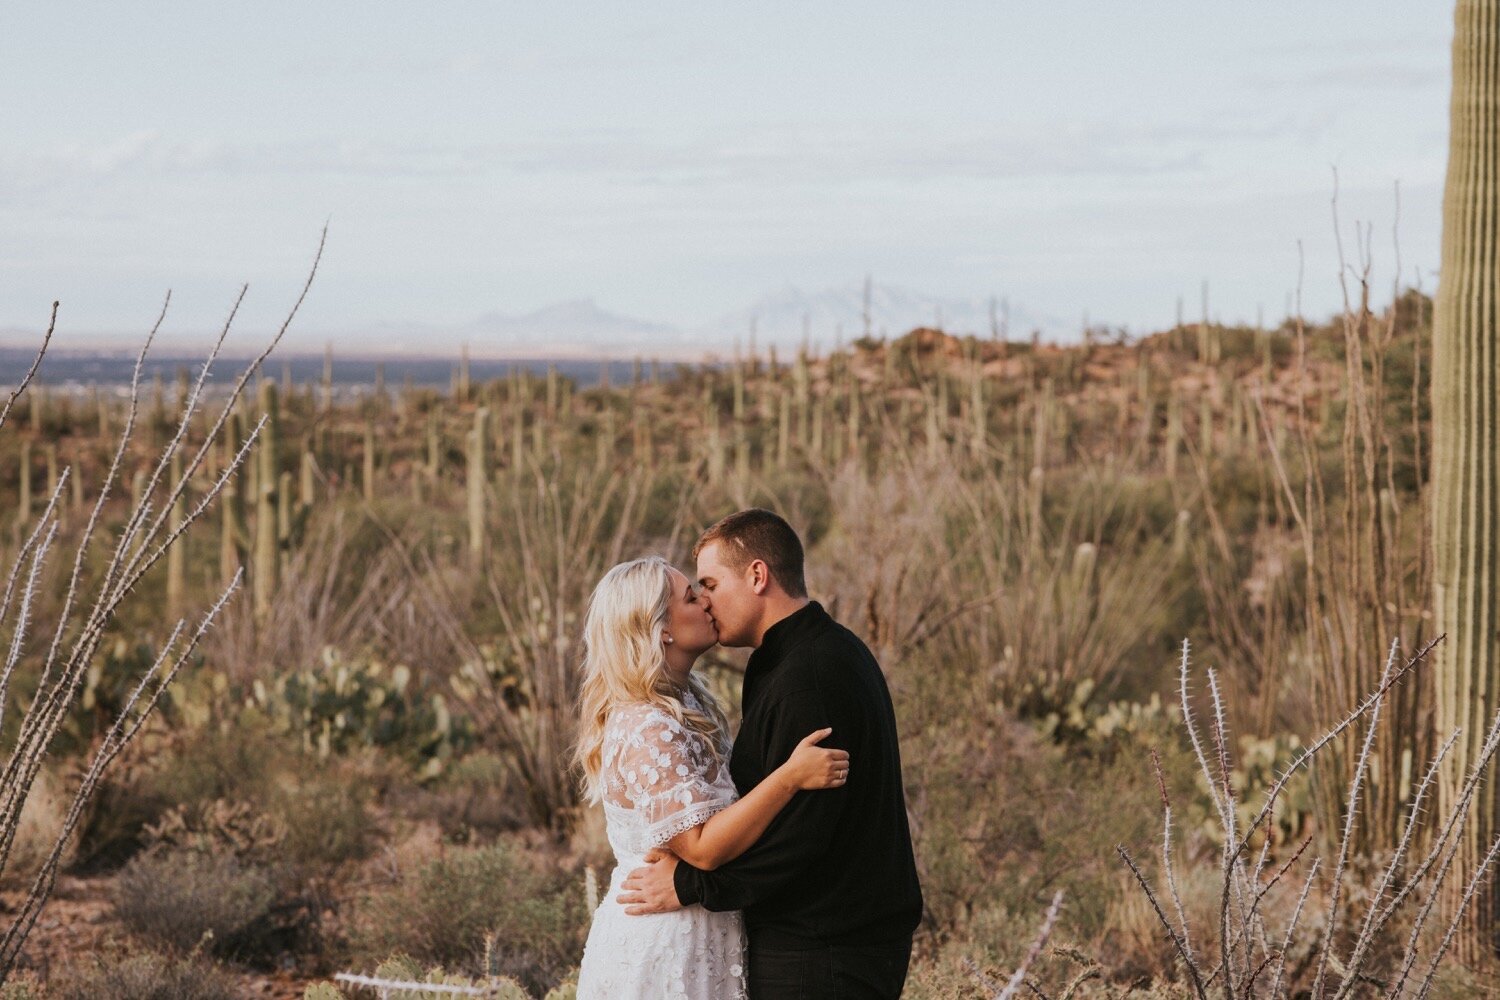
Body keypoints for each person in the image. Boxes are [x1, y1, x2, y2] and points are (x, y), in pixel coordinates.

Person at [618, 509, 923, 999]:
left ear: (757, 576)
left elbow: (802, 836)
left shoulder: (811, 676)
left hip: (823, 949)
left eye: (711, 585)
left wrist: (691, 887)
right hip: (820, 939)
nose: (706, 602)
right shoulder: (800, 657)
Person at [573, 555, 850, 1000]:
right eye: (689, 595)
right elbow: (701, 848)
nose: (705, 601)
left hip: (701, 932)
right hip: (663, 944)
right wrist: (790, 778)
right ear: (659, 627)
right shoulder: (647, 726)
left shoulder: (688, 704)